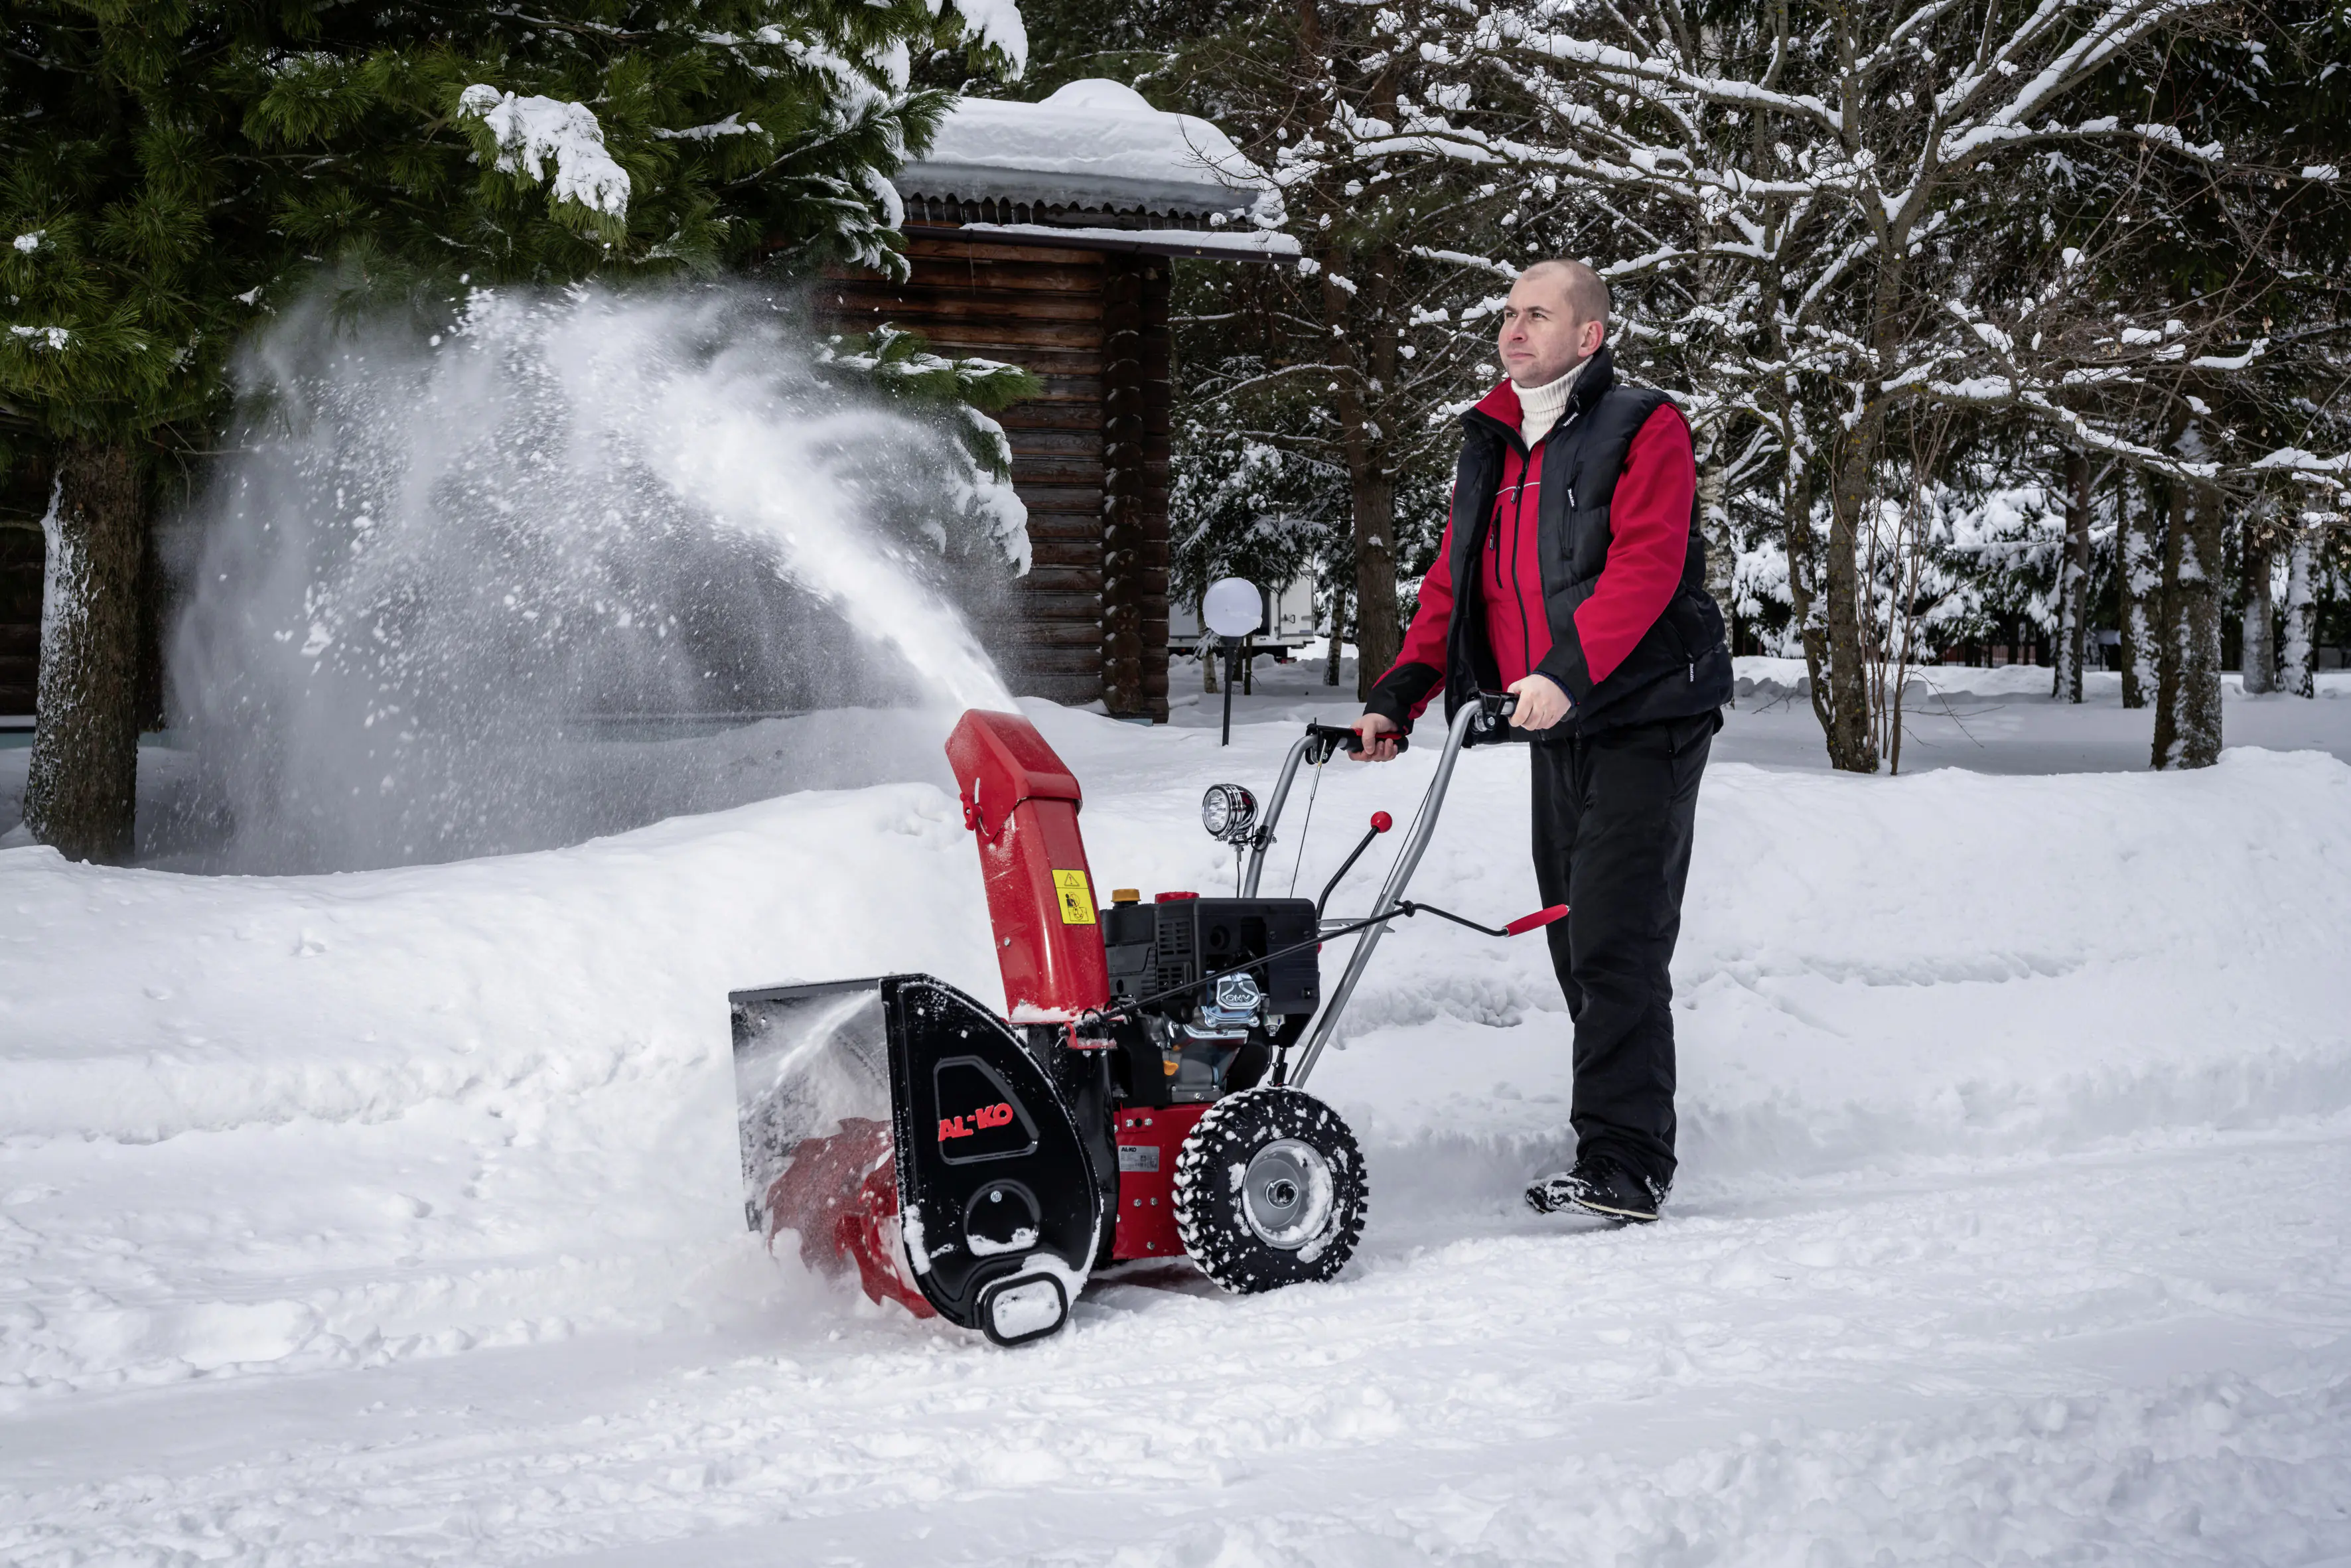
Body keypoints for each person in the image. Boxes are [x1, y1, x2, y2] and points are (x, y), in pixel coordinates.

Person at [1350, 258, 1732, 1224]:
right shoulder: (1490, 439)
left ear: (1589, 336)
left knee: (1614, 934)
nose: (1513, 330)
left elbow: (1644, 569)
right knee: (1574, 937)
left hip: (1643, 710)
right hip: (1547, 717)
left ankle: (1626, 1162)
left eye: (1537, 315)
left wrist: (1565, 674)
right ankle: (1615, 1139)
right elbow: (1454, 583)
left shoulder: (1643, 425)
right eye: (1507, 313)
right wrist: (1401, 691)